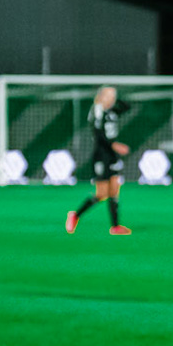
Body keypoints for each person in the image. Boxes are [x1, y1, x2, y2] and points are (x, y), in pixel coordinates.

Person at [67, 87, 133, 236]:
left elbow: (127, 106)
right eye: (110, 95)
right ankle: (75, 215)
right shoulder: (97, 111)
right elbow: (99, 135)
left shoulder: (112, 112)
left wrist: (116, 98)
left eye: (114, 96)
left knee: (114, 190)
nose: (112, 98)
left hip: (112, 156)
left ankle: (115, 226)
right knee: (101, 194)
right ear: (102, 97)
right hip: (101, 155)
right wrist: (114, 145)